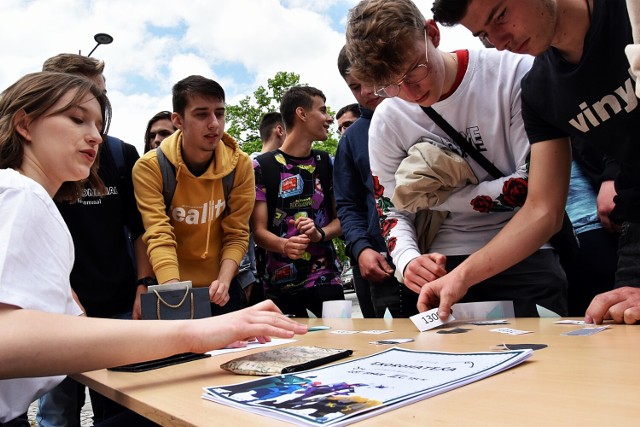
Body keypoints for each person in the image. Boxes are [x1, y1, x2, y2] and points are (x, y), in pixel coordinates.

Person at [0, 71, 308, 426]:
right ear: (24, 124)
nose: (95, 136)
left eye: (99, 124)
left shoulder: (29, 198)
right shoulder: (21, 195)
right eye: (76, 119)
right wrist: (197, 330)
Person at [345, 0, 568, 317]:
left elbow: (532, 185)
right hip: (442, 265)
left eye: (414, 71)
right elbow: (391, 209)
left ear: (432, 34)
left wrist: (437, 199)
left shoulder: (510, 72)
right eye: (390, 85)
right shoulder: (387, 120)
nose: (410, 92)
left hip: (524, 250)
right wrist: (408, 260)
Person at [431, 0, 640, 322]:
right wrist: (460, 277)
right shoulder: (539, 91)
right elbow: (542, 209)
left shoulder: (628, 13)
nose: (500, 43)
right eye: (485, 34)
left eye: (500, 16)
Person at [39, 53, 155, 426]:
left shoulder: (120, 154)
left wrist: (143, 284)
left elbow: (141, 228)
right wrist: (66, 300)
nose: (95, 123)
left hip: (119, 304)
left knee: (121, 407)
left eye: (101, 100)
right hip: (54, 313)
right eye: (78, 112)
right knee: (58, 412)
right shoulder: (29, 173)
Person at [133, 75, 254, 316]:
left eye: (219, 113)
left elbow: (238, 233)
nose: (214, 124)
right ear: (178, 120)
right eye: (201, 114)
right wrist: (173, 293)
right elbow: (158, 234)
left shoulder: (241, 165)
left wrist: (224, 280)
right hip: (172, 287)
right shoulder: (149, 167)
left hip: (222, 288)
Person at [333, 46, 418, 318]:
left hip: (445, 253)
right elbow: (348, 204)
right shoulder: (351, 138)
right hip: (386, 263)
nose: (367, 92)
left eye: (371, 79)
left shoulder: (426, 112)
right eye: (356, 86)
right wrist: (361, 249)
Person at [251, 86, 344, 317]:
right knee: (291, 353)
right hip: (277, 287)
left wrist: (319, 234)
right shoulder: (261, 166)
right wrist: (284, 245)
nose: (329, 118)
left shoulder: (326, 162)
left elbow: (342, 220)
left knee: (344, 341)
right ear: (302, 114)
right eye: (322, 110)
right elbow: (258, 231)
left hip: (326, 281)